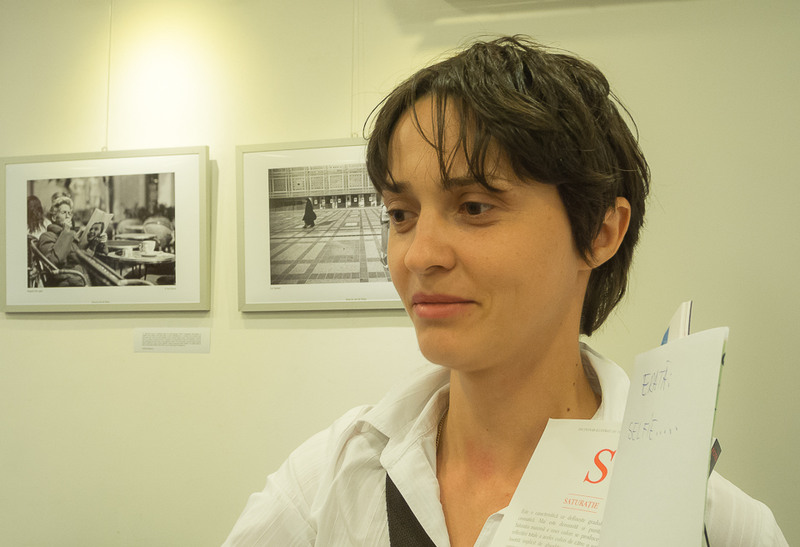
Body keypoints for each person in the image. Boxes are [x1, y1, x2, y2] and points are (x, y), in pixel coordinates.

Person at [223, 36, 787, 546]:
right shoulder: (328, 483)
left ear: (600, 232)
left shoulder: (710, 524)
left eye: (474, 207)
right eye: (401, 214)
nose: (419, 255)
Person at [37, 193, 107, 286]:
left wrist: (95, 244)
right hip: (68, 282)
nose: (67, 216)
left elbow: (80, 259)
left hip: (80, 278)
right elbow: (53, 262)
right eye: (64, 213)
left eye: (69, 213)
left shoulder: (69, 235)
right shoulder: (46, 236)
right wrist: (66, 232)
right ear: (54, 217)